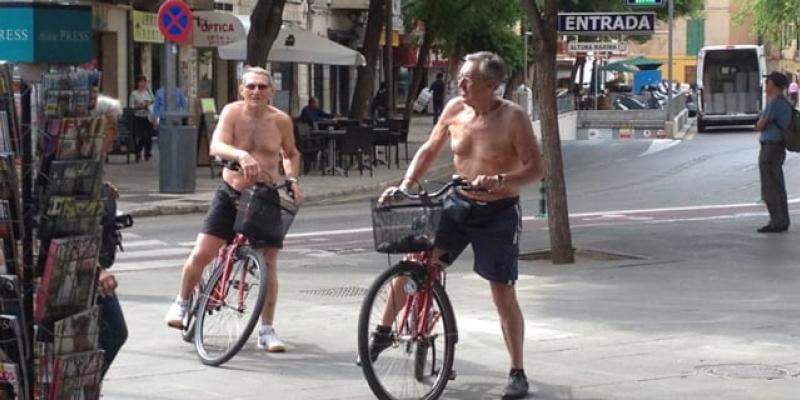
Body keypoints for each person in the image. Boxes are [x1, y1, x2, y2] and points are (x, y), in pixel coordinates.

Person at [375, 51, 544, 399]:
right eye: (460, 77)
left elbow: (535, 168)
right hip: (456, 202)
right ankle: (382, 331)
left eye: (468, 79)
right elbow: (429, 147)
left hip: (497, 211)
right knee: (415, 264)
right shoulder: (454, 109)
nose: (460, 83)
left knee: (502, 291)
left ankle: (517, 370)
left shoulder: (513, 117)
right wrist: (406, 184)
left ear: (491, 85)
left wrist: (499, 179)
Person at [164, 66, 304, 352]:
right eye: (250, 86)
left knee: (269, 263)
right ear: (242, 89)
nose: (256, 92)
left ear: (271, 92)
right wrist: (241, 154)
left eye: (262, 87)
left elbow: (290, 154)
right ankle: (181, 302)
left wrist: (291, 179)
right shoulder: (232, 112)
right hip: (232, 193)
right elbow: (216, 144)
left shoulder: (281, 121)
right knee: (202, 252)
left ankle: (266, 330)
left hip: (265, 196)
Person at [755, 71, 792, 233]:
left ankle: (776, 221)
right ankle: (782, 219)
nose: (766, 85)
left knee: (770, 185)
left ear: (774, 84)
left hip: (770, 147)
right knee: (777, 184)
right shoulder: (784, 102)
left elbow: (761, 125)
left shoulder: (775, 103)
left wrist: (760, 122)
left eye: (768, 81)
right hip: (778, 146)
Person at [128, 75, 155, 161]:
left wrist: (149, 104)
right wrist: (140, 106)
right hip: (139, 116)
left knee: (149, 136)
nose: (143, 84)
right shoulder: (134, 93)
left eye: (144, 82)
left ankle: (147, 153)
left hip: (148, 116)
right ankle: (138, 150)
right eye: (141, 82)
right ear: (137, 83)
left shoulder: (148, 92)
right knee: (143, 136)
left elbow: (153, 101)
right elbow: (131, 106)